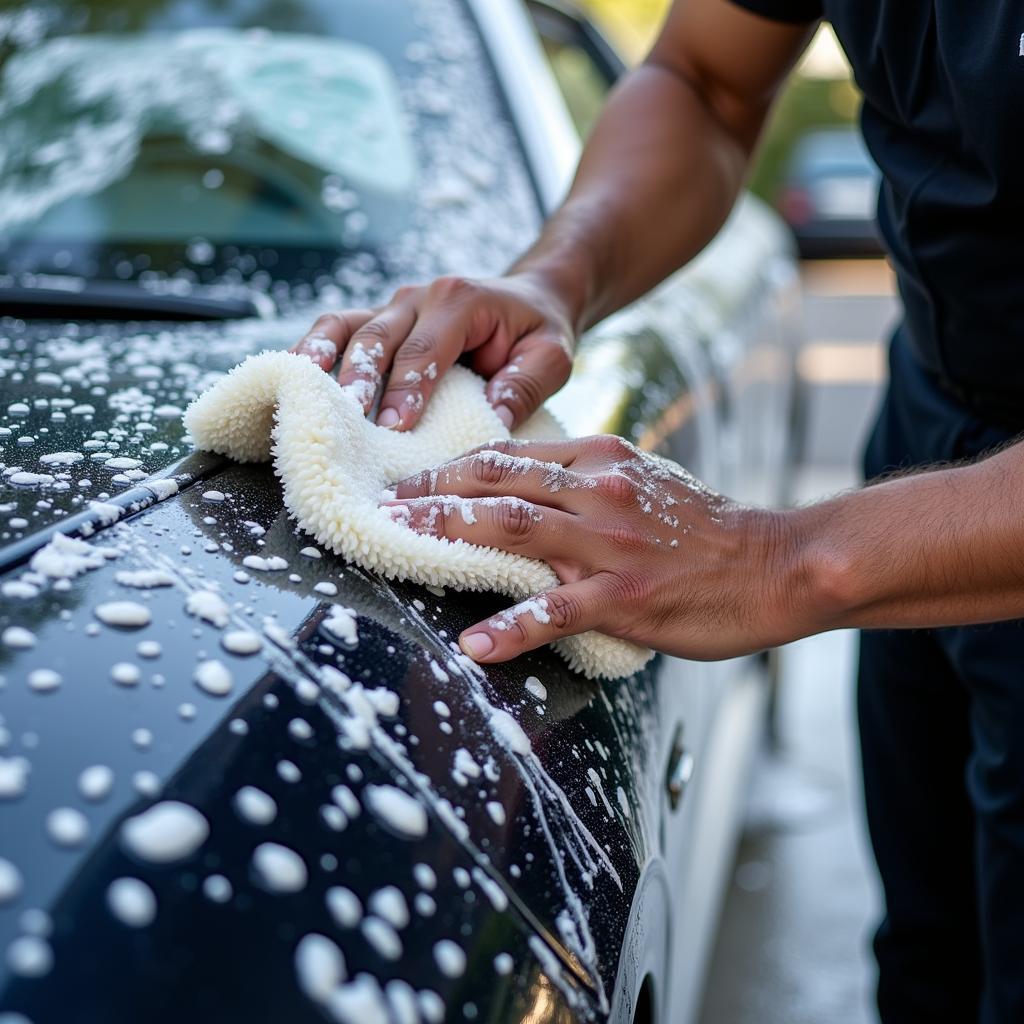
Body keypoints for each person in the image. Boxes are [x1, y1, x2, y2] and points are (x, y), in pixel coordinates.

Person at [291, 2, 1024, 1020]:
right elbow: (705, 79)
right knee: (927, 955)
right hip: (930, 411)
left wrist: (780, 560)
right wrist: (556, 275)